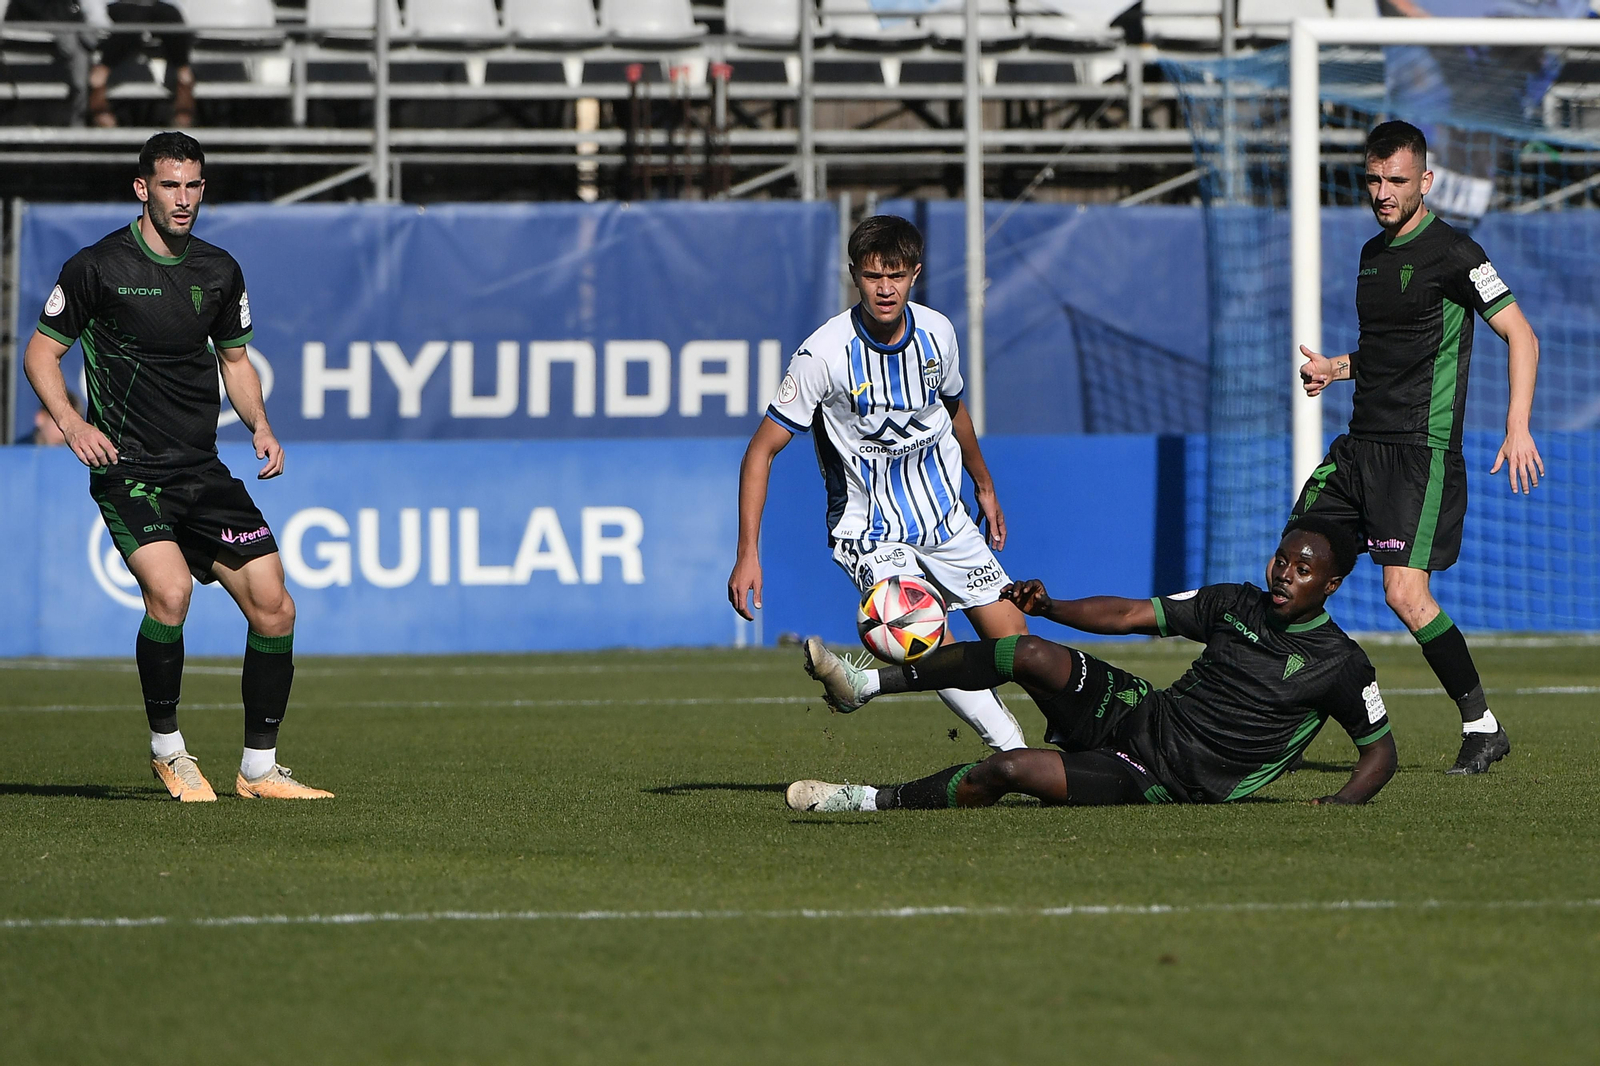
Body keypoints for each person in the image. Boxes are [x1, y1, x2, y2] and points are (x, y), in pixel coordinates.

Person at [22, 131, 331, 802]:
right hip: (128, 467)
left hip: (201, 469)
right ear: (142, 189)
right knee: (171, 593)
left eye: (194, 185)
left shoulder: (219, 270)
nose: (184, 198)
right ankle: (169, 752)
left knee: (275, 608)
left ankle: (258, 770)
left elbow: (237, 362)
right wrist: (73, 424)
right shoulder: (96, 267)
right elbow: (40, 354)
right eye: (170, 185)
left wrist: (261, 424)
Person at [788, 519, 1397, 812]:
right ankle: (865, 683)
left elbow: (1381, 752)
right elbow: (1132, 613)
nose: (1284, 574)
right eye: (1281, 559)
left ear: (1332, 584)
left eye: (1303, 569)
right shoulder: (1236, 602)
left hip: (1161, 778)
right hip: (1141, 711)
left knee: (1003, 770)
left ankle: (865, 800)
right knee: (1024, 650)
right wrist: (1049, 607)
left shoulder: (1342, 664)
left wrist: (1341, 803)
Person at [728, 214, 1029, 751]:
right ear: (854, 276)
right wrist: (748, 552)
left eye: (896, 275)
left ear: (916, 273)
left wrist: (983, 482)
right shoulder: (823, 354)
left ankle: (862, 685)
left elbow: (954, 410)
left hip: (945, 518)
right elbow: (760, 451)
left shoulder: (938, 333)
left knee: (1015, 644)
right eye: (871, 276)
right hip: (869, 533)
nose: (884, 288)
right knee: (923, 634)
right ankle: (1011, 746)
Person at [1295, 120, 1541, 775]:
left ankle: (1482, 726)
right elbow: (1388, 352)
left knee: (1404, 595)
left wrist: (1517, 426)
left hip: (1418, 453)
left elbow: (1522, 335)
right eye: (1373, 179)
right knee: (1294, 565)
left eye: (1396, 180)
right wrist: (1335, 368)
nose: (1383, 191)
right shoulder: (1371, 254)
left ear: (1424, 181)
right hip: (1358, 449)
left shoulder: (1457, 253)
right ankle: (1274, 715)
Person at [87, 0, 195, 128]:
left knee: (170, 15)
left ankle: (183, 74)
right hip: (118, 6)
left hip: (155, 5)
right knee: (134, 18)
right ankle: (101, 74)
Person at [17, 389, 84, 445]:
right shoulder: (17, 454)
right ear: (41, 418)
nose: (65, 433)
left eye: (72, 427)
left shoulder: (81, 457)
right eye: (59, 424)